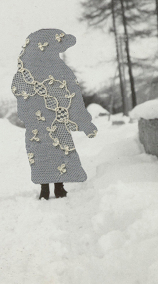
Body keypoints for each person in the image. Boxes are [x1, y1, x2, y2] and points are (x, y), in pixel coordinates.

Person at [11, 29, 97, 200]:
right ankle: (55, 187)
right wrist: (84, 123)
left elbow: (21, 95)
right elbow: (73, 97)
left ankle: (51, 188)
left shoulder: (26, 71)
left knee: (45, 152)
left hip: (40, 123)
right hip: (53, 122)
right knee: (55, 152)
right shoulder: (58, 69)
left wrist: (31, 114)